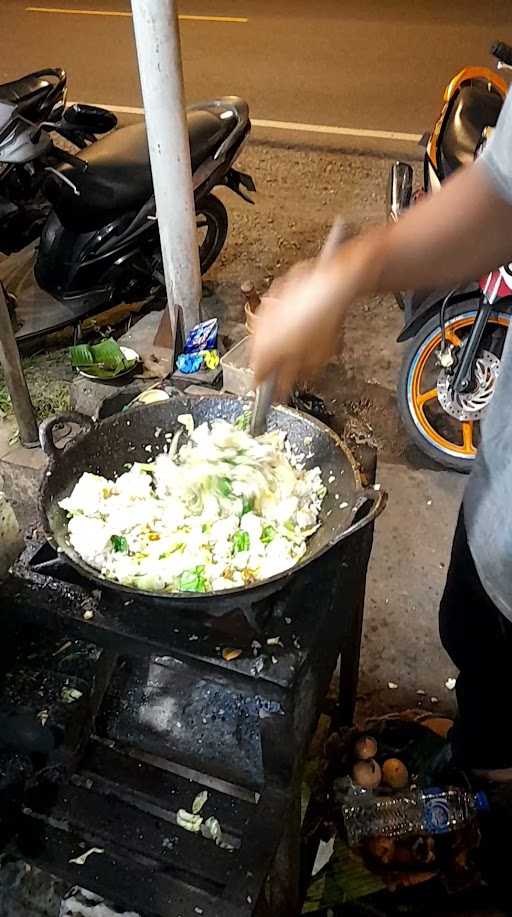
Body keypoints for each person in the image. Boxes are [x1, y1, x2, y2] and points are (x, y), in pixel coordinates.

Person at [252, 89, 512, 779]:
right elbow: (502, 195)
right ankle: (480, 772)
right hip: (502, 507)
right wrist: (344, 275)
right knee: (472, 638)